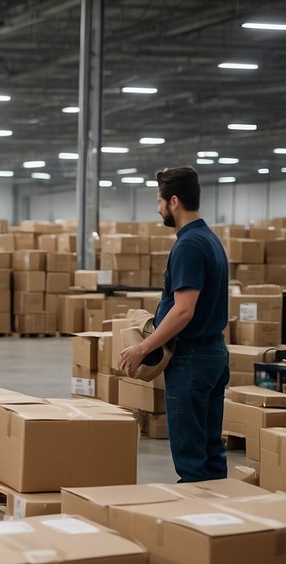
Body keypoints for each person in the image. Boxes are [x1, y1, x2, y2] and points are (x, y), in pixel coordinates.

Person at [120, 166, 230, 482]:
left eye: (159, 201)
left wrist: (143, 348)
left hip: (192, 360)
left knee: (191, 458)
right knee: (210, 453)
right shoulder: (210, 239)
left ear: (174, 202)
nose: (158, 209)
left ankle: (196, 525)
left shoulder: (189, 245)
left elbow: (184, 311)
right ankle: (219, 518)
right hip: (213, 355)